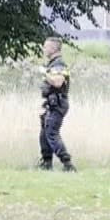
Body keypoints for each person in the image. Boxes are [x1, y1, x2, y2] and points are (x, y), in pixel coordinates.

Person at [38, 37, 75, 171]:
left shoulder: (59, 65)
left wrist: (45, 73)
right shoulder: (53, 64)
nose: (44, 49)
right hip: (51, 103)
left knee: (52, 133)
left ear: (53, 48)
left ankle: (67, 164)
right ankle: (46, 163)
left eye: (46, 46)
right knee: (44, 134)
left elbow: (58, 82)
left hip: (58, 103)